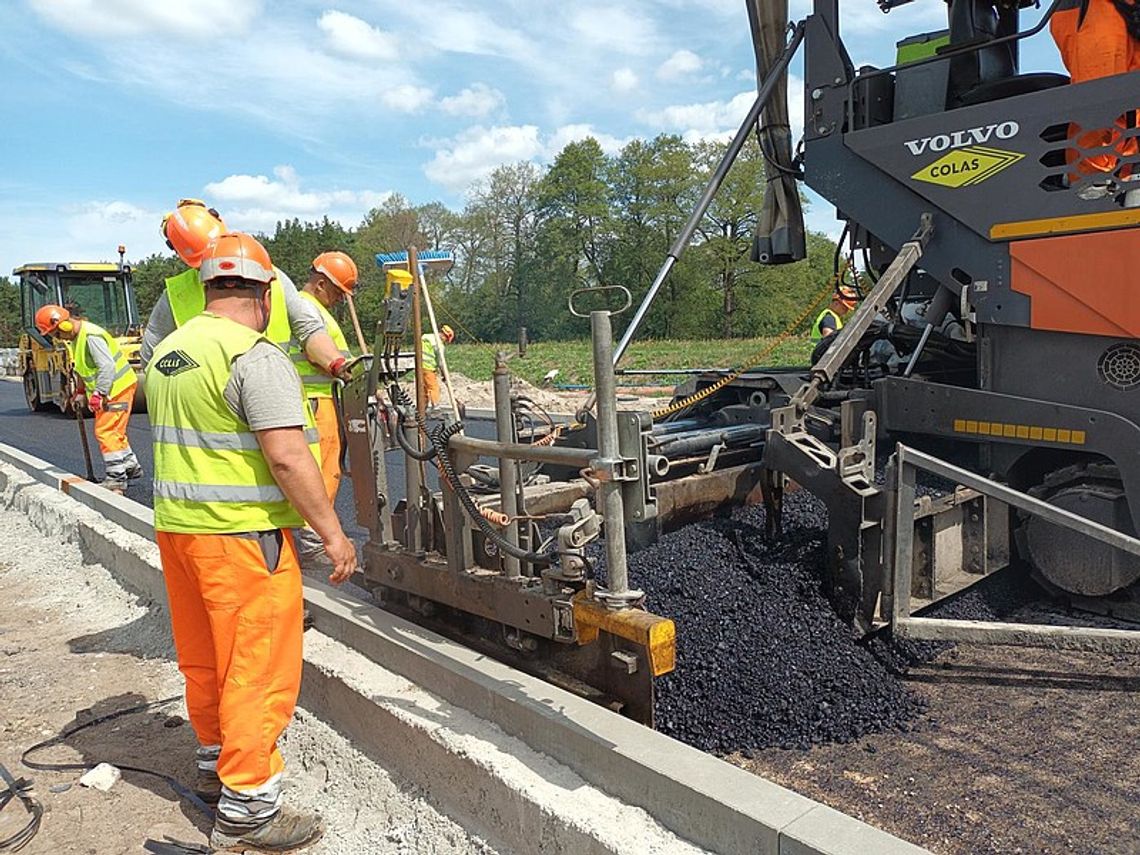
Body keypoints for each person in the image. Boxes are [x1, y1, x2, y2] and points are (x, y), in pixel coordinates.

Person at [146, 231, 356, 853]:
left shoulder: (169, 354)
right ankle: (249, 808)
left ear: (208, 286)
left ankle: (214, 766)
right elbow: (289, 459)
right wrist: (334, 536)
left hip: (180, 534)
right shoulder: (254, 356)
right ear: (265, 292)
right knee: (257, 670)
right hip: (243, 539)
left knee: (206, 657)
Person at [141, 199, 348, 382]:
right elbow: (152, 358)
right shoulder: (176, 295)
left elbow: (309, 329)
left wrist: (337, 363)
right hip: (222, 403)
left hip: (268, 389)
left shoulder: (272, 276)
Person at [287, 251, 357, 564]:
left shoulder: (314, 308)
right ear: (320, 283)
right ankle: (314, 539)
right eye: (338, 292)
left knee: (327, 468)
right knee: (323, 471)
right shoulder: (304, 307)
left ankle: (311, 534)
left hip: (322, 398)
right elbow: (316, 345)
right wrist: (340, 365)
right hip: (314, 401)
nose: (341, 299)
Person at [34, 304, 141, 493]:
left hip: (117, 388)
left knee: (105, 432)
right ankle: (129, 467)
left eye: (57, 333)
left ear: (64, 325)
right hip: (113, 389)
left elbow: (106, 366)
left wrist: (99, 393)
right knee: (115, 431)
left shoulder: (91, 336)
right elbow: (83, 368)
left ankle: (116, 479)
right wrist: (81, 392)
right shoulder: (76, 339)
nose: (57, 338)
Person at [1051, 0, 1140, 191]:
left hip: (1127, 12)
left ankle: (1125, 175)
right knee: (1102, 93)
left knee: (1131, 98)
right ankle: (1091, 180)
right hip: (1096, 9)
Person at [421, 323, 455, 406]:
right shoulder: (439, 345)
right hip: (428, 367)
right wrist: (444, 374)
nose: (445, 341)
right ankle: (435, 406)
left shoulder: (425, 336)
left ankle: (422, 408)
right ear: (445, 336)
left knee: (423, 389)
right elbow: (441, 363)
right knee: (434, 387)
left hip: (419, 366)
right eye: (446, 340)